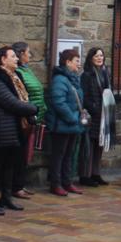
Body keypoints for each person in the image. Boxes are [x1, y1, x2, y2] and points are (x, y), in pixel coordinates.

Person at [0, 46, 38, 214]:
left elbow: (22, 98)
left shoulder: (14, 77)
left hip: (12, 129)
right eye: (13, 56)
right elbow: (12, 103)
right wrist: (33, 109)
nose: (17, 59)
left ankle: (6, 197)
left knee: (10, 165)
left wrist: (29, 108)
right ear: (3, 60)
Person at [47, 48, 85, 196]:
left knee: (69, 155)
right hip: (61, 125)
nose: (78, 64)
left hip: (72, 124)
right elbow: (59, 102)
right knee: (59, 155)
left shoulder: (72, 79)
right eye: (76, 61)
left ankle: (67, 182)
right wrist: (72, 118)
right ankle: (56, 184)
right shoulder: (60, 80)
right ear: (67, 62)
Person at [12, 41, 46, 195]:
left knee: (27, 153)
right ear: (21, 55)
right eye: (28, 52)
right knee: (20, 153)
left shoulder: (28, 70)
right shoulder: (18, 72)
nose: (30, 55)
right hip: (25, 118)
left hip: (34, 117)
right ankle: (16, 186)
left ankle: (21, 184)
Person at [79, 47, 113, 187]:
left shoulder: (105, 73)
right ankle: (85, 175)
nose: (100, 58)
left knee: (99, 144)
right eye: (97, 56)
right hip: (92, 115)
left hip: (104, 114)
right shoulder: (87, 75)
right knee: (89, 146)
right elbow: (84, 96)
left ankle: (96, 173)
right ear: (91, 58)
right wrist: (93, 108)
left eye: (101, 56)